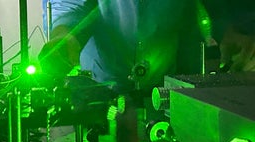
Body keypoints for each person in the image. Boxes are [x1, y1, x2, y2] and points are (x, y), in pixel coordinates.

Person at [38, 0, 255, 94]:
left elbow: (212, 5)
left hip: (174, 87)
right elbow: (70, 5)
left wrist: (228, 30)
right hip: (101, 89)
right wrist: (64, 37)